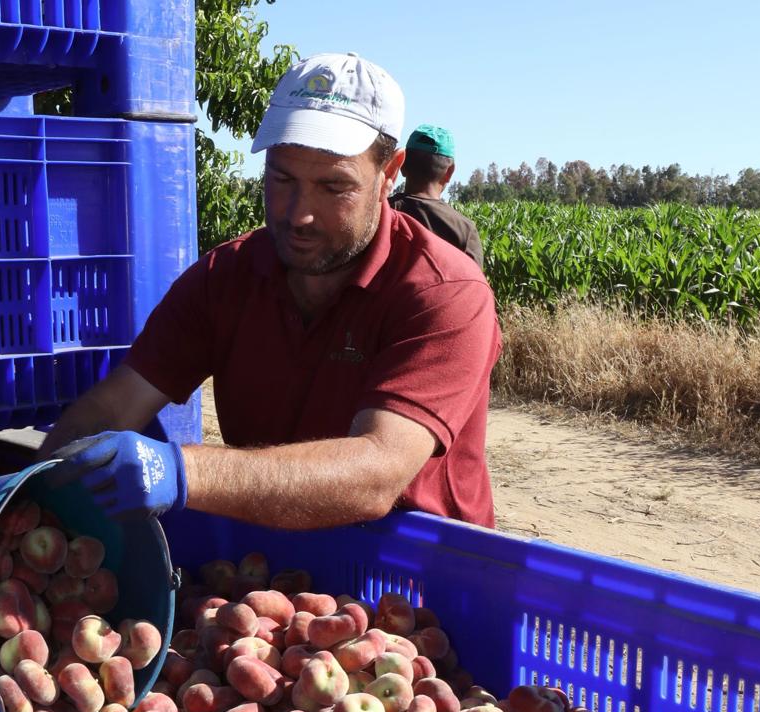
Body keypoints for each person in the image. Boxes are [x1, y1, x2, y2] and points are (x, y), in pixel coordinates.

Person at [42, 53, 502, 530]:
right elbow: (115, 406)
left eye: (332, 187)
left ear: (390, 174)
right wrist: (30, 500)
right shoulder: (226, 277)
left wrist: (181, 470)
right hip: (272, 566)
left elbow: (377, 472)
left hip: (415, 583)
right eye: (282, 179)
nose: (299, 214)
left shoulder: (443, 292)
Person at [389, 125, 484, 266]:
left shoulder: (379, 212)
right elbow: (472, 285)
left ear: (402, 165)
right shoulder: (464, 230)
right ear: (449, 172)